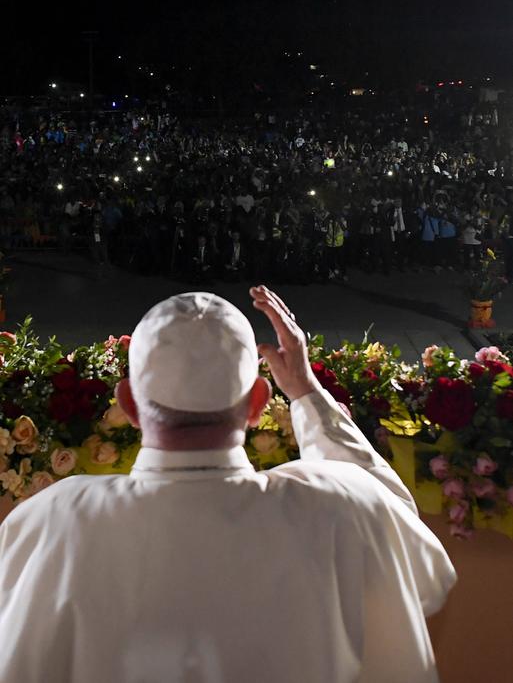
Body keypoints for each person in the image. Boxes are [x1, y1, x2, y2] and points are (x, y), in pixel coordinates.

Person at [0, 286, 456, 682]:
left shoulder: (52, 522)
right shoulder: (344, 508)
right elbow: (424, 568)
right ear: (259, 402)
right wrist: (306, 392)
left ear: (129, 405)